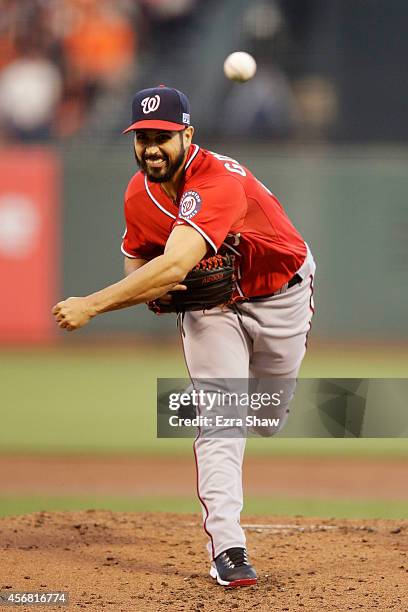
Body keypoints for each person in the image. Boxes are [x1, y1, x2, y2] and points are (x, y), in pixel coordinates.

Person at [53, 85, 316, 588]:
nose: (152, 147)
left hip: (280, 294)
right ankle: (228, 549)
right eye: (143, 137)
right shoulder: (139, 193)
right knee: (221, 416)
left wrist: (90, 305)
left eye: (164, 137)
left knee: (265, 419)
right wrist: (152, 292)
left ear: (188, 136)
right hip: (211, 309)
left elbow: (173, 263)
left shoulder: (217, 181)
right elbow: (141, 262)